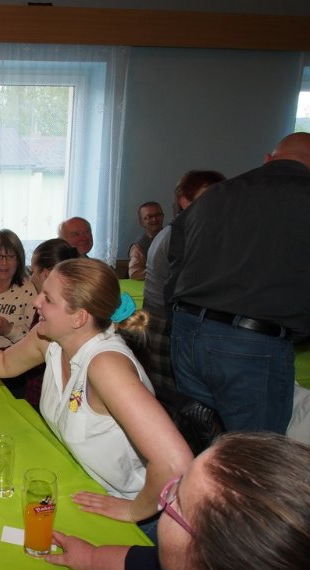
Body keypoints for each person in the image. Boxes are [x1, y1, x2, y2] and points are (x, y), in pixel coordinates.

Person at [0, 258, 192, 527]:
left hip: (139, 512)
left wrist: (133, 511)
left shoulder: (106, 365)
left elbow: (175, 463)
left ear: (79, 317)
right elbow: (4, 362)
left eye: (48, 299)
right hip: (82, 485)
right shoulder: (50, 339)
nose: (36, 302)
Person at [46, 432, 310, 570]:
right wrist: (91, 557)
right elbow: (143, 567)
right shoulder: (190, 569)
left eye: (178, 502)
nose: (165, 493)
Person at [167, 132, 310, 434]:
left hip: (187, 330)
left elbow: (176, 263)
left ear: (268, 159)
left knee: (200, 437)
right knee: (252, 451)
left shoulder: (217, 194)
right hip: (252, 342)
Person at [143, 170, 225, 392]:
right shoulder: (180, 235)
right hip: (167, 324)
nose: (218, 202)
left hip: (176, 321)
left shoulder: (191, 231)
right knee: (174, 396)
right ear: (185, 202)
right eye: (208, 196)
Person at [23, 238, 79, 407]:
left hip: (42, 398)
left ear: (46, 274)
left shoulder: (49, 313)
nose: (31, 278)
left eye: (32, 271)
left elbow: (22, 357)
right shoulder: (60, 305)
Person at [127, 202, 164, 280]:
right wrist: (162, 272)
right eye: (148, 217)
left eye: (157, 215)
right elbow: (135, 273)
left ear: (163, 217)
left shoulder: (173, 237)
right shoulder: (139, 246)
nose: (154, 219)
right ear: (141, 222)